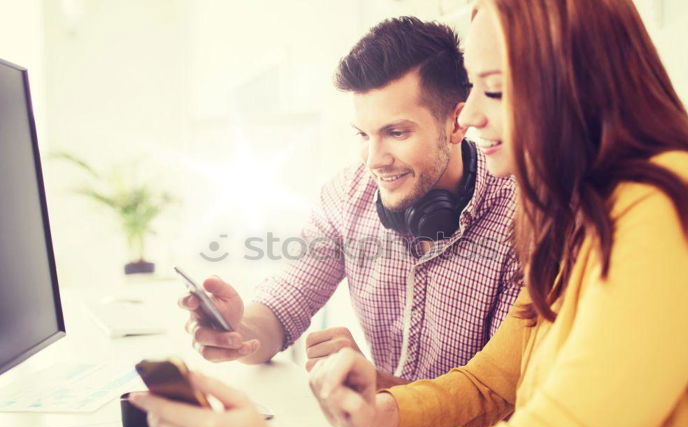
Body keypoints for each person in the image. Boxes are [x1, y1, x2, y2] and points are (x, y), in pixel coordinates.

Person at [132, 0, 688, 427]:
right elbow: (492, 386)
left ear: (579, 85)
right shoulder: (564, 213)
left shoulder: (661, 206)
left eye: (494, 89)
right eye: (363, 134)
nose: (474, 114)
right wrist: (385, 408)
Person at [180, 17, 520, 387]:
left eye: (396, 132)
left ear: (457, 124)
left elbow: (500, 398)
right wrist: (237, 330)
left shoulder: (523, 218)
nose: (374, 160)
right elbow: (285, 301)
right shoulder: (347, 195)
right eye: (363, 134)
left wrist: (375, 384)